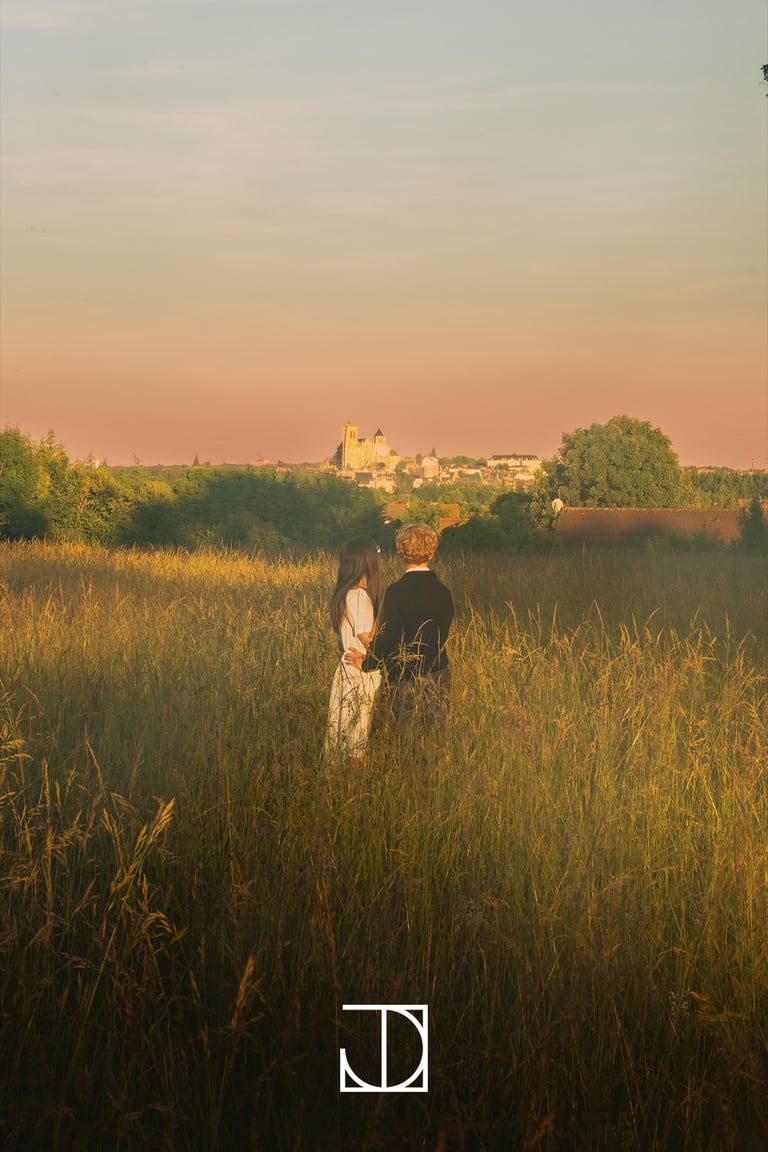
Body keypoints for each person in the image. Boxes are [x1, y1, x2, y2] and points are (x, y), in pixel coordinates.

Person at [346, 523, 454, 727]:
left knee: (406, 739)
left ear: (401, 552)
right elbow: (443, 631)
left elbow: (386, 636)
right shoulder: (443, 592)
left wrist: (368, 664)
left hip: (404, 677)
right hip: (439, 672)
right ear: (432, 552)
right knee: (435, 739)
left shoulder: (396, 592)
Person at [324, 535, 382, 761]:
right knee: (355, 743)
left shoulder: (348, 595)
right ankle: (350, 788)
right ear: (367, 562)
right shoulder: (357, 597)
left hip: (351, 672)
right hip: (360, 674)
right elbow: (370, 640)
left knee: (344, 738)